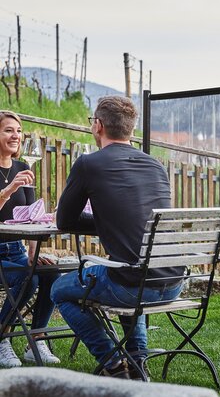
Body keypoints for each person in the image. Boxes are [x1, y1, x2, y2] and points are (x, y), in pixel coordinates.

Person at [51, 96, 184, 379]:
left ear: (97, 126)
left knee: (59, 290)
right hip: (173, 282)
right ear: (131, 131)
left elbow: (64, 220)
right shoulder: (155, 165)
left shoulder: (88, 164)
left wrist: (99, 220)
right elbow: (136, 221)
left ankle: (112, 363)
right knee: (128, 271)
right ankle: (138, 362)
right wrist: (109, 222)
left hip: (131, 285)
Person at [0, 111, 60, 368]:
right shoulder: (14, 177)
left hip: (16, 251)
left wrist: (34, 254)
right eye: (8, 130)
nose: (15, 135)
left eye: (18, 130)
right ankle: (3, 336)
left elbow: (33, 217)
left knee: (50, 273)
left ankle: (35, 338)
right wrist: (9, 190)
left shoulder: (23, 167)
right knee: (29, 277)